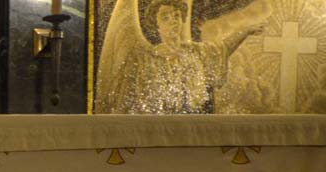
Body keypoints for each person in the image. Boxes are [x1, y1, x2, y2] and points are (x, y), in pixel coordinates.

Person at [98, 0, 265, 114]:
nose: (173, 21)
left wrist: (245, 31)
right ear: (156, 24)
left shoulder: (195, 52)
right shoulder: (146, 58)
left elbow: (222, 49)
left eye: (177, 16)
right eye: (165, 17)